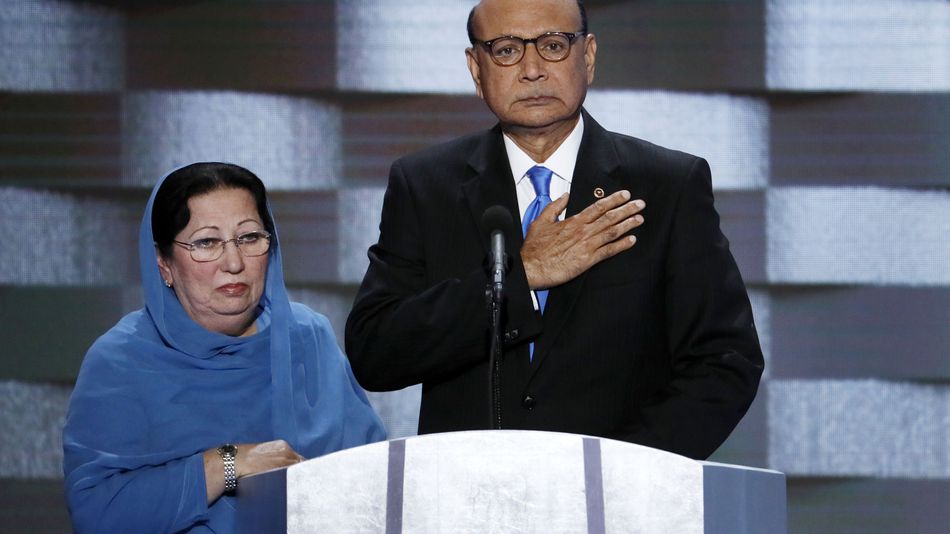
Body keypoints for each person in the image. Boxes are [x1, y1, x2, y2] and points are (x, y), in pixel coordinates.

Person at [345, 0, 763, 460]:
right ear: (475, 68)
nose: (532, 70)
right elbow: (376, 352)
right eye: (506, 50)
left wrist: (626, 471)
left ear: (587, 56)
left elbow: (725, 361)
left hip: (621, 504)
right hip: (468, 497)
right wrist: (520, 278)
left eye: (552, 45)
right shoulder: (425, 186)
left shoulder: (667, 185)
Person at [63, 162, 386, 533]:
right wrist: (226, 464)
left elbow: (373, 472)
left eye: (249, 238)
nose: (233, 263)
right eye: (206, 242)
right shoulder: (121, 361)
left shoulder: (308, 336)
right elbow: (98, 512)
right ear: (163, 264)